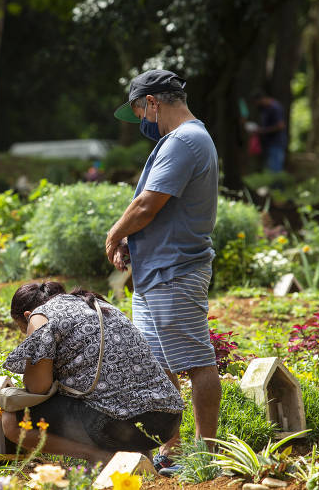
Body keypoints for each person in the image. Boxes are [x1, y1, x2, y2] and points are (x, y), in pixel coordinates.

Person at [106, 69, 221, 474]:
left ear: (152, 102)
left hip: (176, 269)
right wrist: (130, 243)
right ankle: (170, 449)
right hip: (157, 270)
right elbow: (154, 209)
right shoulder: (181, 140)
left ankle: (207, 455)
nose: (141, 121)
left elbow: (146, 205)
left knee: (195, 360)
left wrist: (114, 234)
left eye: (140, 110)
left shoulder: (186, 140)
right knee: (160, 364)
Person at [1, 282, 184, 464]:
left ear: (27, 315)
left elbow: (38, 387)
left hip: (118, 425)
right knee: (113, 399)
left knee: (12, 420)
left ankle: (102, 458)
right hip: (168, 422)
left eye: (23, 330)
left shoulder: (40, 315)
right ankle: (137, 459)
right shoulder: (95, 303)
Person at [252, 92, 287, 173]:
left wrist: (263, 131)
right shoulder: (265, 108)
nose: (256, 105)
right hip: (269, 143)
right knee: (270, 168)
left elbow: (281, 125)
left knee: (276, 169)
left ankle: (277, 185)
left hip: (277, 143)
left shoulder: (275, 108)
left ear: (260, 99)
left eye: (256, 102)